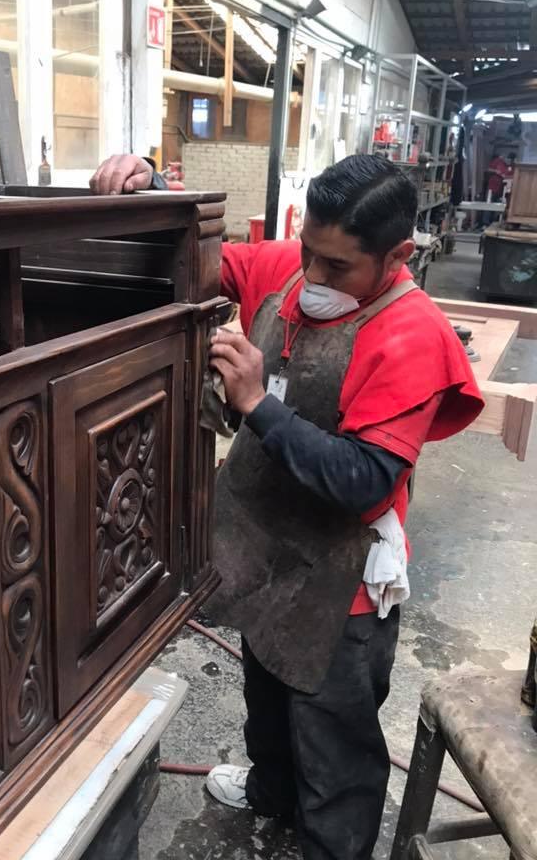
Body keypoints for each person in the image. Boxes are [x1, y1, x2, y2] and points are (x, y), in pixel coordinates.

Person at [90, 153, 484, 860]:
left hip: (339, 581)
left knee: (334, 737)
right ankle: (272, 791)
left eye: (338, 267)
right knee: (266, 692)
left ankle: (335, 844)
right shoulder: (294, 273)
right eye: (310, 254)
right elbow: (207, 251)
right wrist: (151, 186)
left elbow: (364, 479)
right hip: (267, 547)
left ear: (397, 255)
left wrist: (252, 404)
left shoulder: (411, 335)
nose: (316, 279)